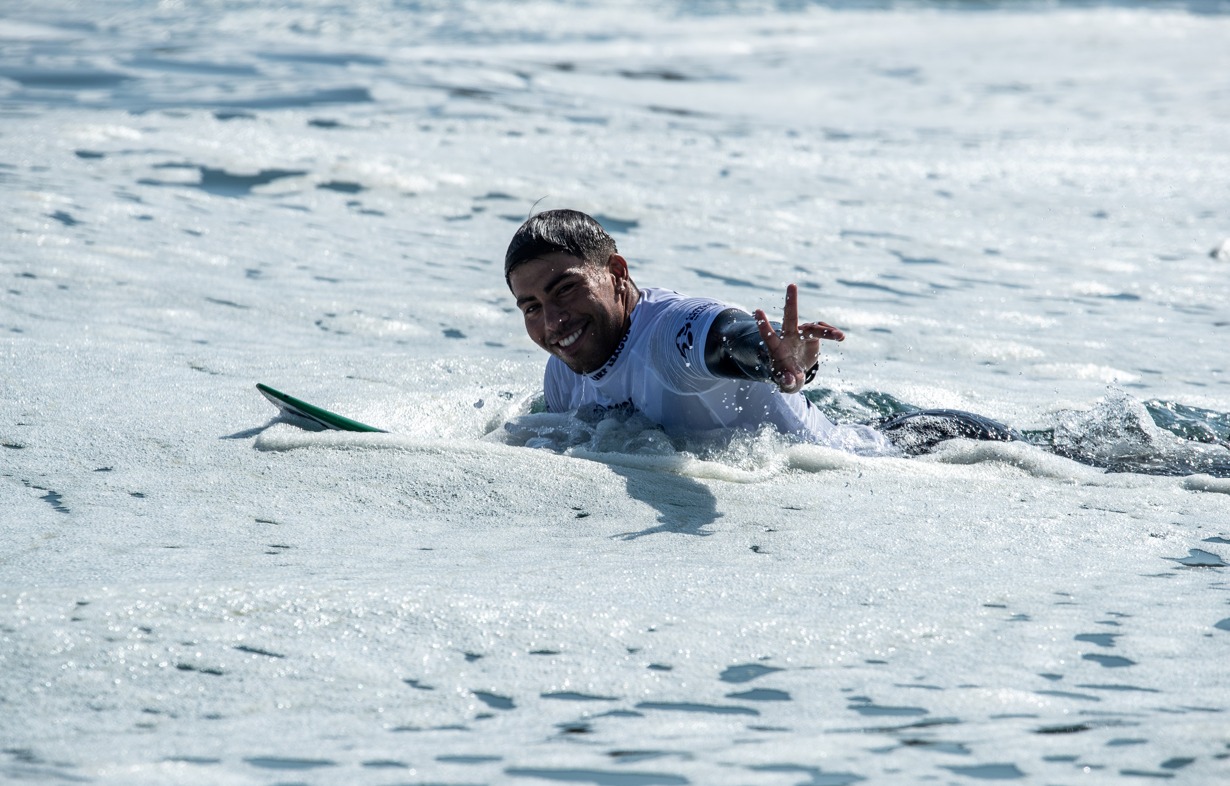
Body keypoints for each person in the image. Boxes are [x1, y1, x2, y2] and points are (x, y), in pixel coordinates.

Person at [504, 209, 1017, 455]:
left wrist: (773, 358)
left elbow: (723, 338)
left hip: (909, 453)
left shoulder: (668, 333)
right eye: (531, 307)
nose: (552, 323)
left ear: (617, 272)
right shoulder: (562, 376)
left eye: (565, 290)